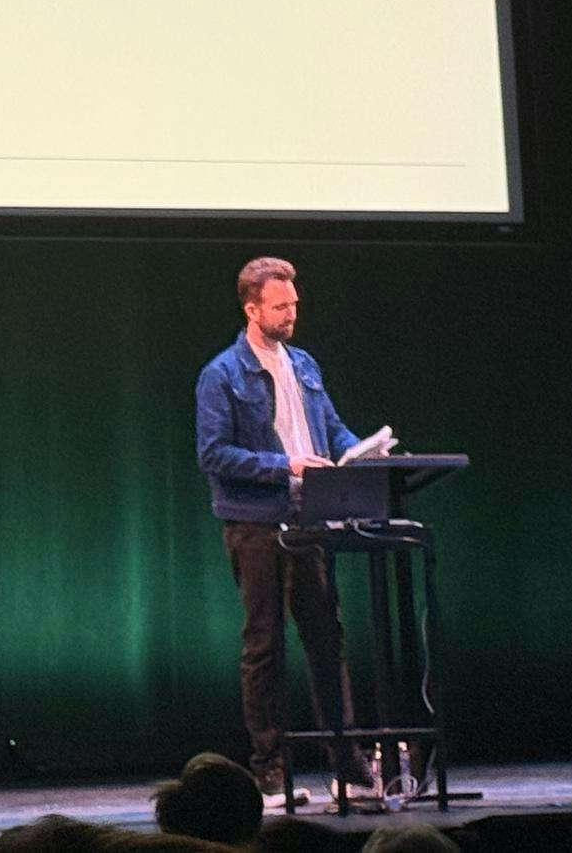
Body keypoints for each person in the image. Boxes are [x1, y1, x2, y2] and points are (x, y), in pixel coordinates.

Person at [195, 256, 373, 805]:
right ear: (252, 310)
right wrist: (287, 467)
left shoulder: (304, 364)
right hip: (257, 525)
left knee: (327, 641)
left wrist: (362, 453)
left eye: (294, 303)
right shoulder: (222, 373)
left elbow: (332, 428)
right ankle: (270, 770)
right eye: (281, 306)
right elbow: (213, 453)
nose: (292, 313)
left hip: (310, 519)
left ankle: (349, 765)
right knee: (265, 646)